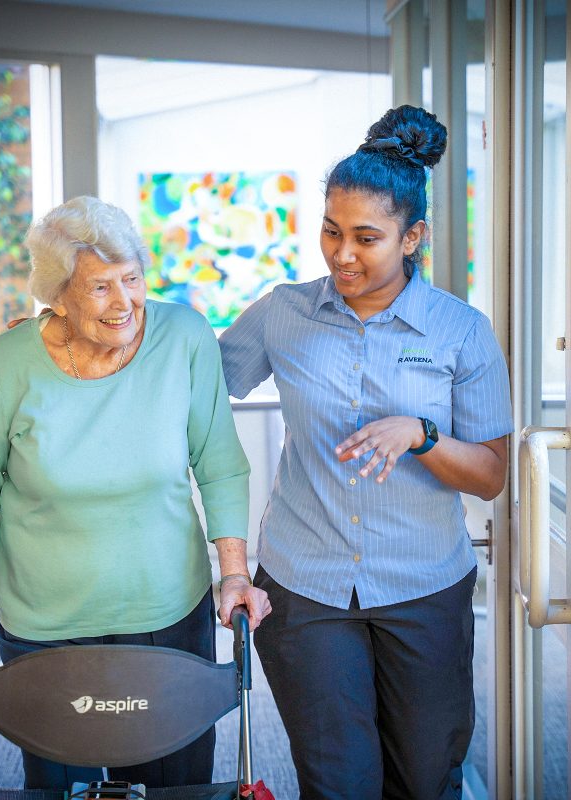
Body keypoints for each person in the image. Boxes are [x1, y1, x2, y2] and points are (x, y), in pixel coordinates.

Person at [219, 105, 513, 800]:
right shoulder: (283, 312)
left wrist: (422, 433)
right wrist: (90, 322)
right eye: (331, 230)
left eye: (366, 238)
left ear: (413, 237)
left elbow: (493, 475)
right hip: (307, 584)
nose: (342, 254)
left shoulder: (461, 332)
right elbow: (197, 375)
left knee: (424, 778)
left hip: (424, 587)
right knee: (339, 782)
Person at [0, 196, 270, 791]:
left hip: (165, 613)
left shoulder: (183, 336)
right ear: (58, 296)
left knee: (172, 784)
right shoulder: (10, 361)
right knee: (61, 783)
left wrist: (234, 572)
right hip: (45, 621)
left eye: (131, 279)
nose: (123, 302)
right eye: (100, 287)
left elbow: (219, 463)